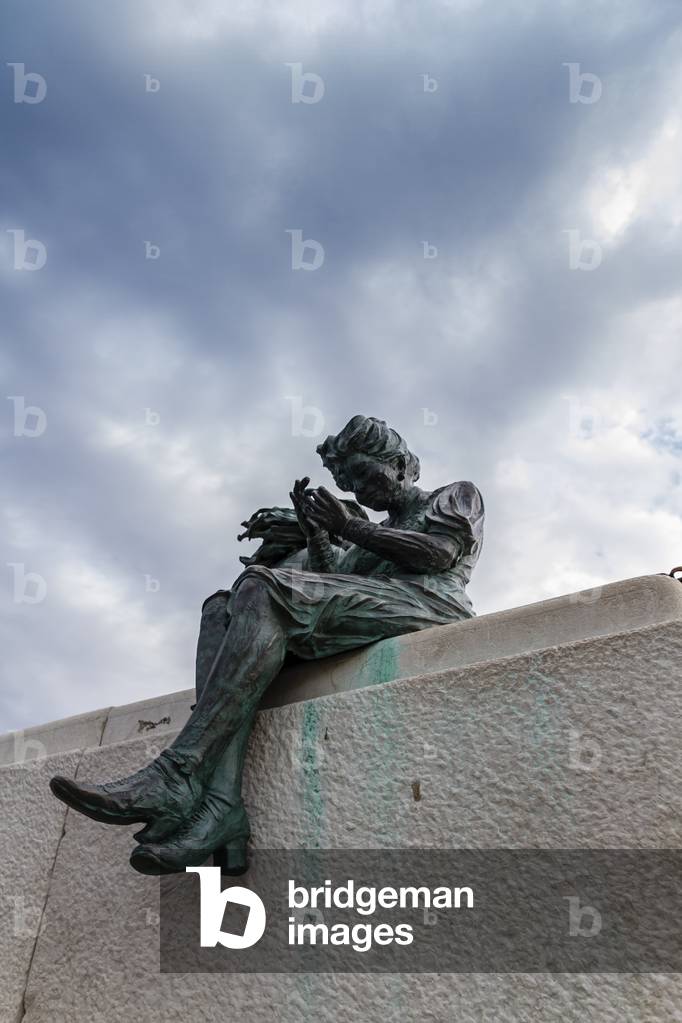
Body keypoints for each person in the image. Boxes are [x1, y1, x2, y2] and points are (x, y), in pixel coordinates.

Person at [50, 415, 484, 875]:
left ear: (398, 465)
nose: (358, 489)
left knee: (261, 585)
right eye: (350, 481)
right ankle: (220, 807)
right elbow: (330, 585)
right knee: (221, 607)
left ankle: (177, 776)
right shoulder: (363, 546)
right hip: (372, 610)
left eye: (363, 473)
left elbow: (438, 554)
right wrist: (318, 533)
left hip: (428, 603)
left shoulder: (454, 495)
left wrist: (351, 528)